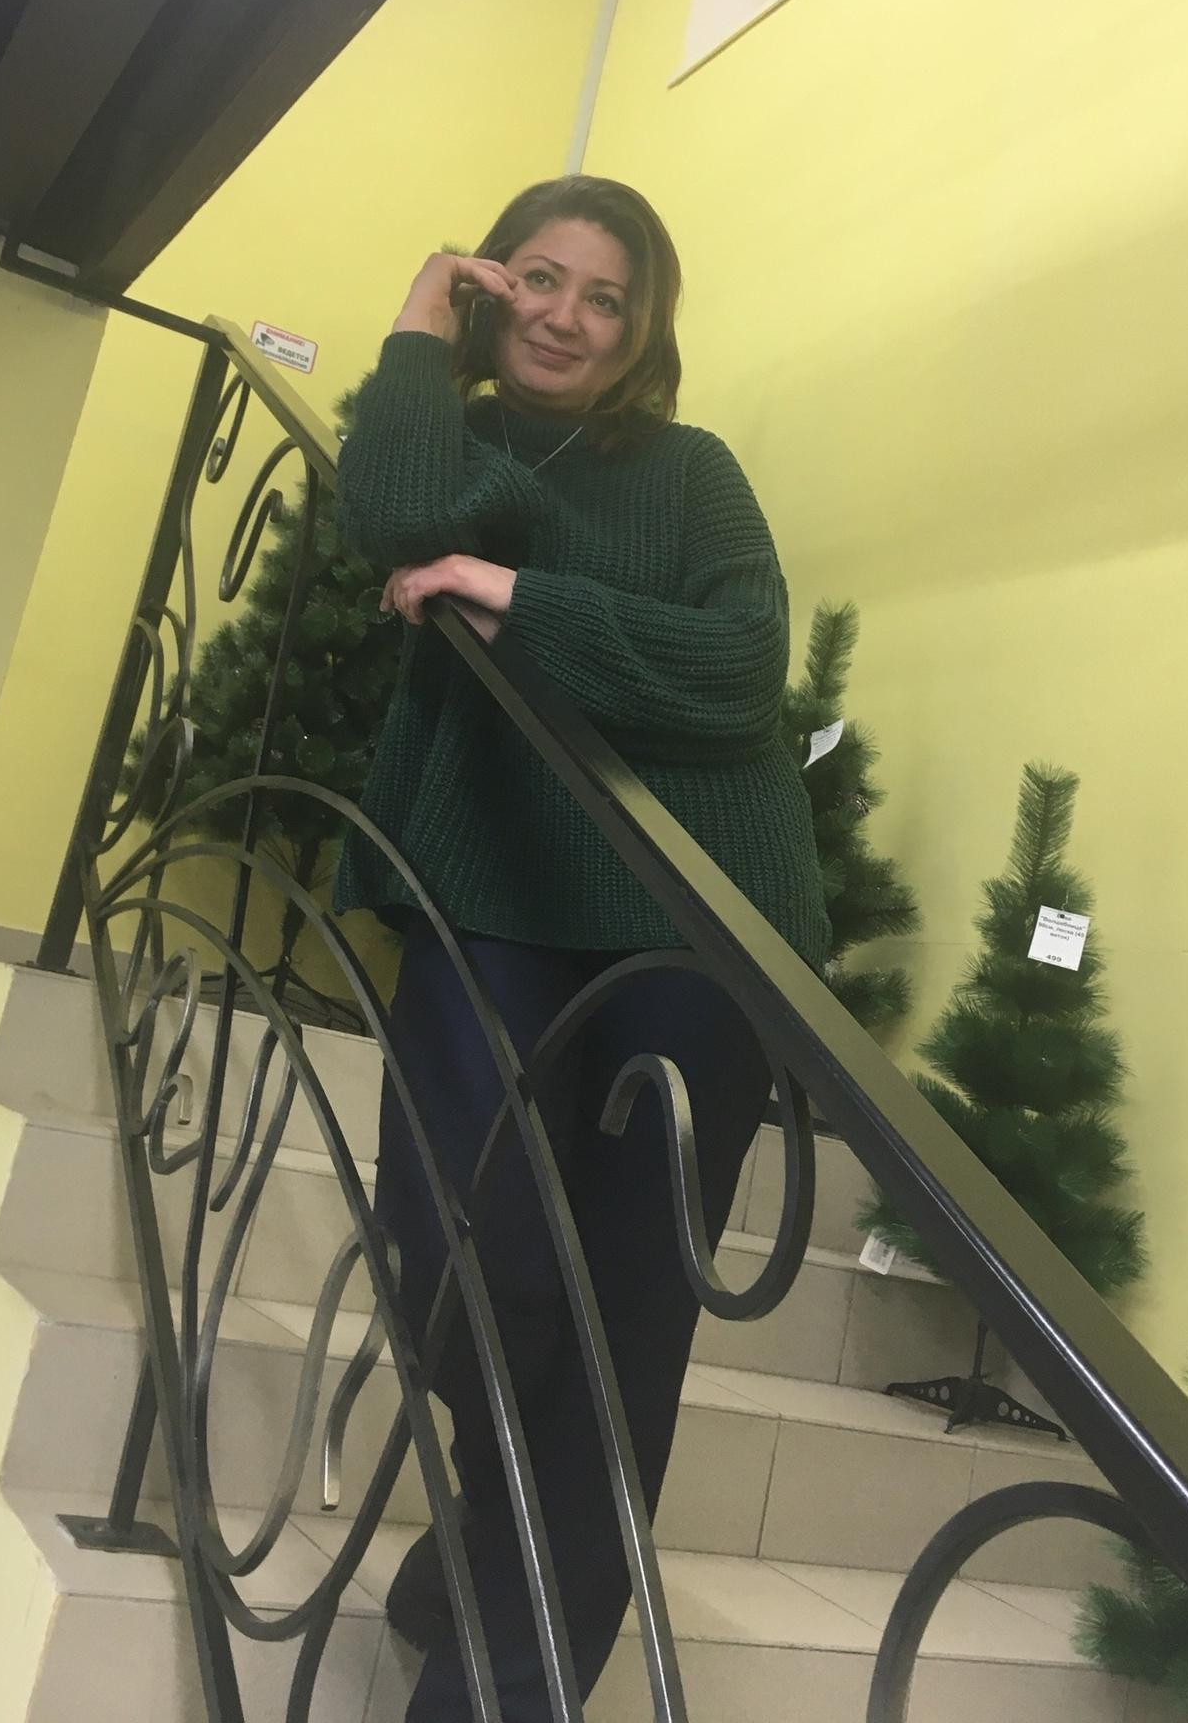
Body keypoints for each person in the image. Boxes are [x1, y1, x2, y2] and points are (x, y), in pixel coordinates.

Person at [333, 175, 829, 1721]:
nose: (565, 316)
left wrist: (513, 594)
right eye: (535, 278)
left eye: (605, 298)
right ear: (492, 287)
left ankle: (501, 1692)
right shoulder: (452, 439)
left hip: (691, 921)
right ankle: (491, 1539)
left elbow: (740, 667)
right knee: (465, 1256)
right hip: (487, 889)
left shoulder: (690, 472)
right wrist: (418, 328)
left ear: (641, 332)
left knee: (623, 1332)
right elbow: (389, 515)